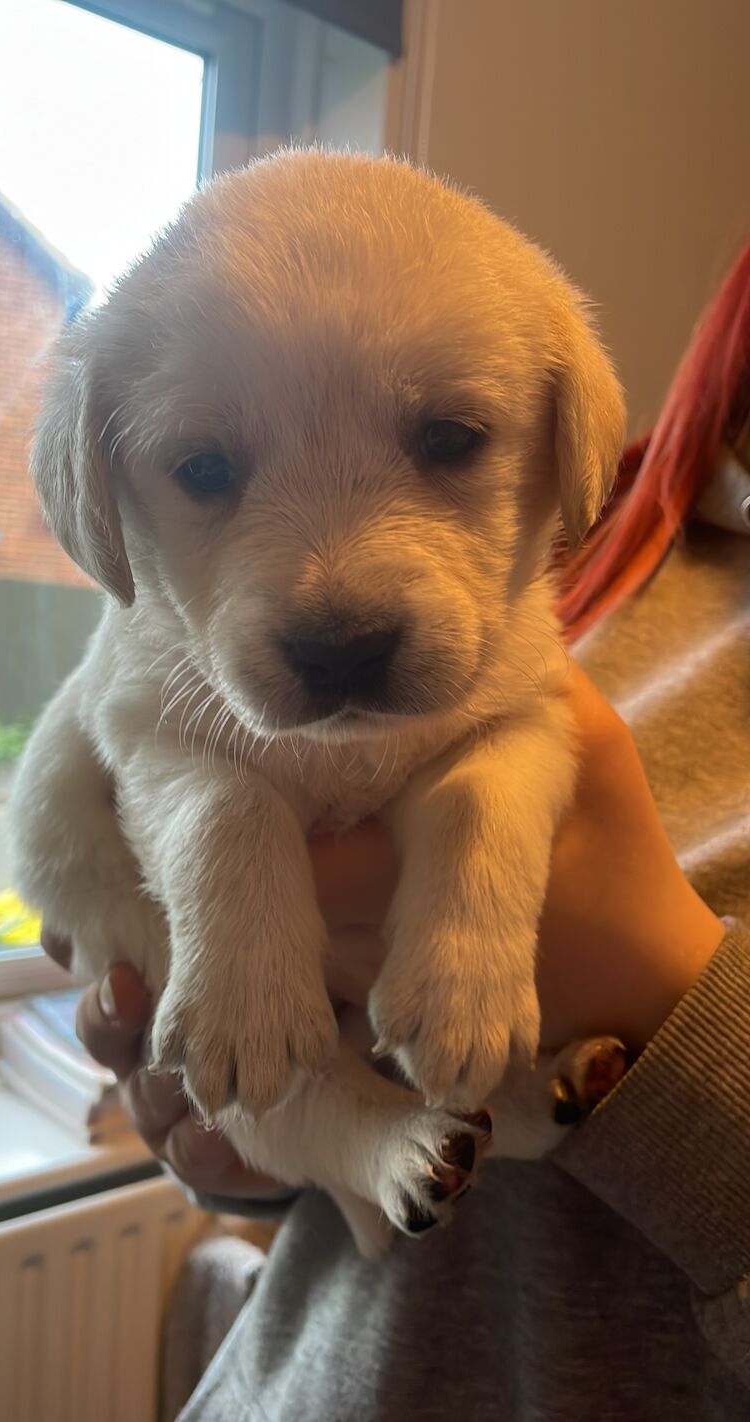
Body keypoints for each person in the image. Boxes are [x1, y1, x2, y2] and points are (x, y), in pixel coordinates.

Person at [45, 242, 750, 1419]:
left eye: (447, 442)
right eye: (209, 464)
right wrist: (257, 1146)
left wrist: (654, 987)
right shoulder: (623, 522)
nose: (337, 596)